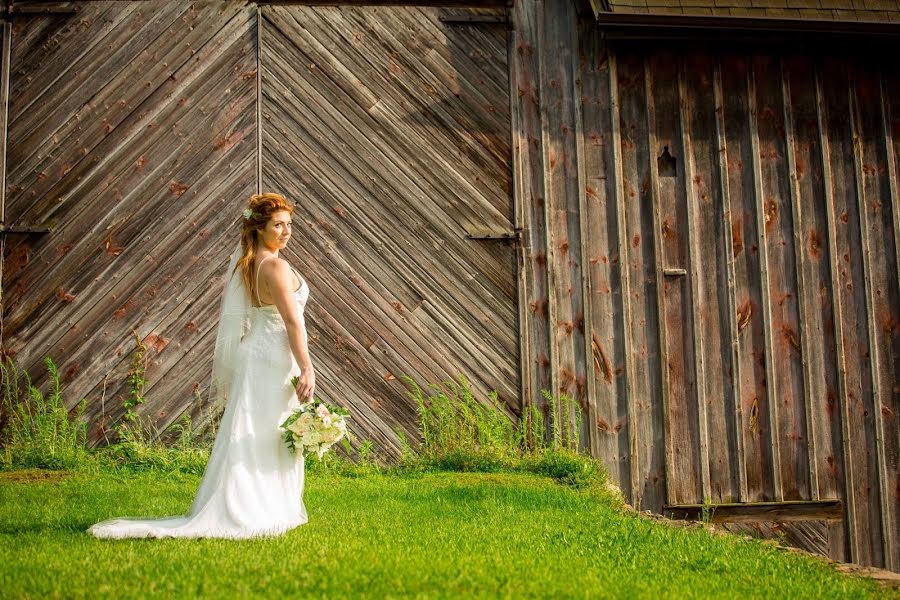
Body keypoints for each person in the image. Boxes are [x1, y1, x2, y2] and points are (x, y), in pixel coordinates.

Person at [88, 193, 315, 539]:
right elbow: (293, 322)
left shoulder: (250, 263)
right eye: (278, 225)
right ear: (259, 228)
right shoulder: (276, 266)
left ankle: (253, 503)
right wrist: (308, 367)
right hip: (272, 357)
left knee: (254, 428)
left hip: (257, 353)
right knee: (264, 432)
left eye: (289, 225)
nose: (285, 231)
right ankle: (254, 508)